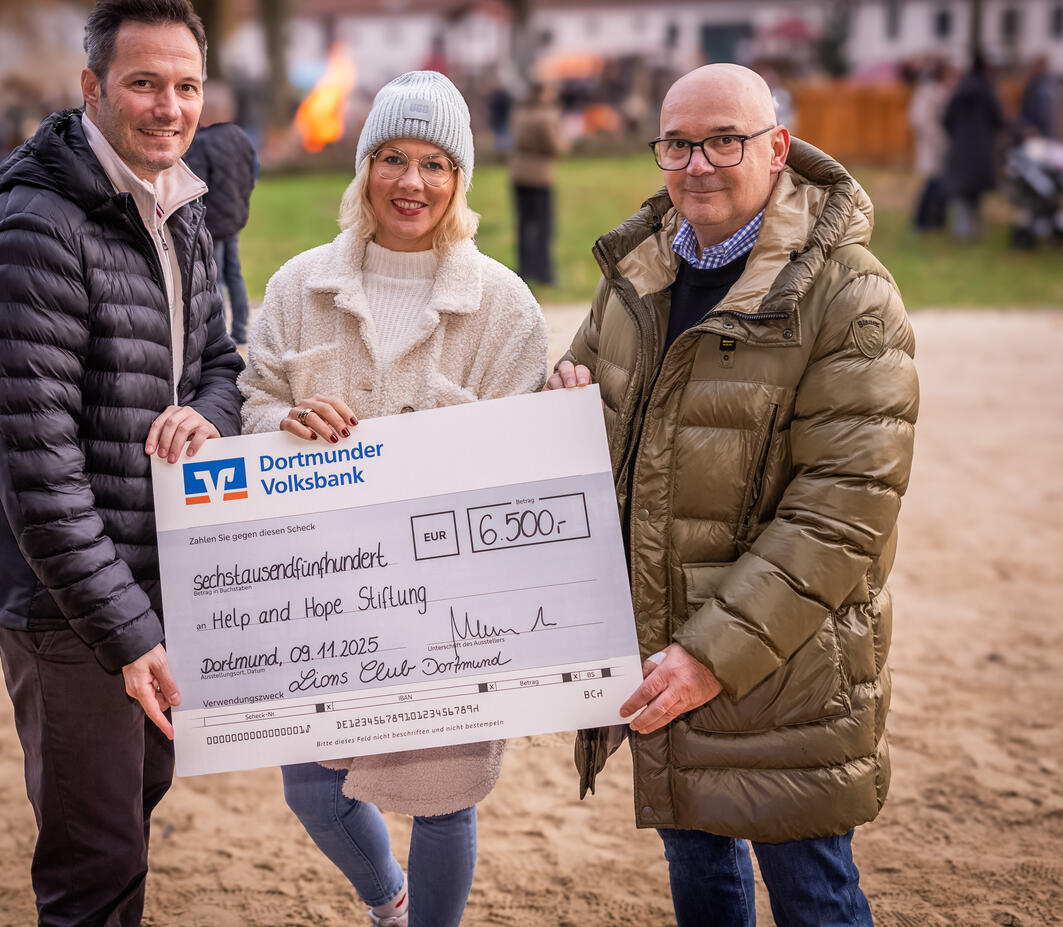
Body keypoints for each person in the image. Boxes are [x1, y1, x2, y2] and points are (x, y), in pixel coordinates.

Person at [549, 63, 917, 927]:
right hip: (657, 653)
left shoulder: (848, 294)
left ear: (778, 147)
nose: (698, 162)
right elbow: (596, 425)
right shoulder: (635, 276)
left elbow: (843, 511)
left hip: (779, 673)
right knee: (700, 876)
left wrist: (712, 654)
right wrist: (566, 406)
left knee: (812, 892)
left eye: (726, 140)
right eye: (678, 142)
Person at [0, 0, 243, 926]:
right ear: (92, 86)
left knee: (135, 801)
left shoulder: (181, 205)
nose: (171, 108)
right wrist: (129, 632)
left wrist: (205, 413)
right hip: (64, 600)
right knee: (97, 859)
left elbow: (220, 363)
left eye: (188, 85)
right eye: (145, 83)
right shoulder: (31, 232)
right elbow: (38, 473)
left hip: (160, 572)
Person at [239, 70, 548, 927]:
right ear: (364, 167)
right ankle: (388, 897)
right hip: (323, 587)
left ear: (461, 180)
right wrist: (283, 418)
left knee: (443, 798)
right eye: (392, 158)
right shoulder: (300, 287)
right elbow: (253, 394)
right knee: (312, 785)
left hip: (450, 600)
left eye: (435, 164)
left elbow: (527, 452)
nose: (411, 182)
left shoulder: (504, 305)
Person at [182, 79, 258, 344]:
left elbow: (194, 183)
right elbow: (252, 172)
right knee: (234, 272)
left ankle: (219, 335)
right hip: (235, 217)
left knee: (213, 276)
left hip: (211, 222)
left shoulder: (201, 142)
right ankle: (239, 328)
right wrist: (242, 198)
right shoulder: (241, 137)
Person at [509, 81, 567, 285]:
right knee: (543, 227)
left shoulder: (520, 114)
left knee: (523, 225)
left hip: (519, 173)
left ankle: (524, 269)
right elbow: (556, 147)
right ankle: (544, 273)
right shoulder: (546, 118)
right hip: (540, 176)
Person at [942, 53, 1005, 242]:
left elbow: (946, 120)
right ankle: (974, 231)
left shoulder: (959, 92)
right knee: (975, 193)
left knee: (960, 192)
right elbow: (999, 121)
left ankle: (963, 233)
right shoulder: (988, 92)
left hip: (960, 149)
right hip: (982, 151)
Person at [908, 57, 954, 231]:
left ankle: (935, 222)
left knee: (939, 184)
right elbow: (920, 119)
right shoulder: (930, 93)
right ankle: (922, 222)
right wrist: (937, 139)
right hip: (933, 145)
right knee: (933, 184)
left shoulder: (940, 92)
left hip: (939, 144)